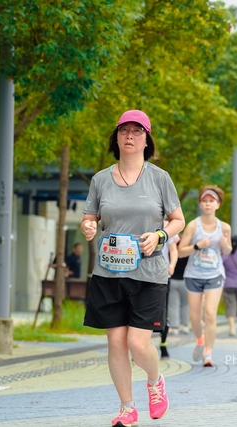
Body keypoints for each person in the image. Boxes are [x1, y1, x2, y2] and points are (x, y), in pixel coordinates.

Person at [80, 110, 185, 426]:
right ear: (116, 138)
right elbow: (90, 219)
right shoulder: (100, 180)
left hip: (148, 274)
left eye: (137, 131)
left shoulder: (160, 178)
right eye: (124, 130)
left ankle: (155, 381)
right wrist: (88, 227)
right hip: (109, 273)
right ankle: (127, 408)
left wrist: (159, 236)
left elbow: (178, 220)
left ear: (147, 140)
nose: (129, 135)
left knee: (138, 343)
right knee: (116, 343)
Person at [179, 185, 231, 367]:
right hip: (193, 275)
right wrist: (197, 245)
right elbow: (180, 252)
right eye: (205, 201)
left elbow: (227, 251)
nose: (208, 204)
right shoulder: (193, 226)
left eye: (212, 201)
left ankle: (208, 353)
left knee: (210, 314)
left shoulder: (224, 227)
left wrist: (225, 245)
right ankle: (200, 341)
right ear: (200, 204)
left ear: (218, 204)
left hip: (214, 275)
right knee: (195, 318)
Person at [159, 224, 180, 359]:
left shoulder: (169, 225)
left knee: (163, 312)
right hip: (141, 274)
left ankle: (163, 344)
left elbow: (173, 250)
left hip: (163, 275)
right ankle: (139, 346)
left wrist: (172, 265)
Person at [167, 242, 189, 336]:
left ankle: (174, 327)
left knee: (173, 305)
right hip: (185, 281)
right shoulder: (187, 253)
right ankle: (185, 325)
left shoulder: (171, 253)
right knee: (185, 304)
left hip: (173, 280)